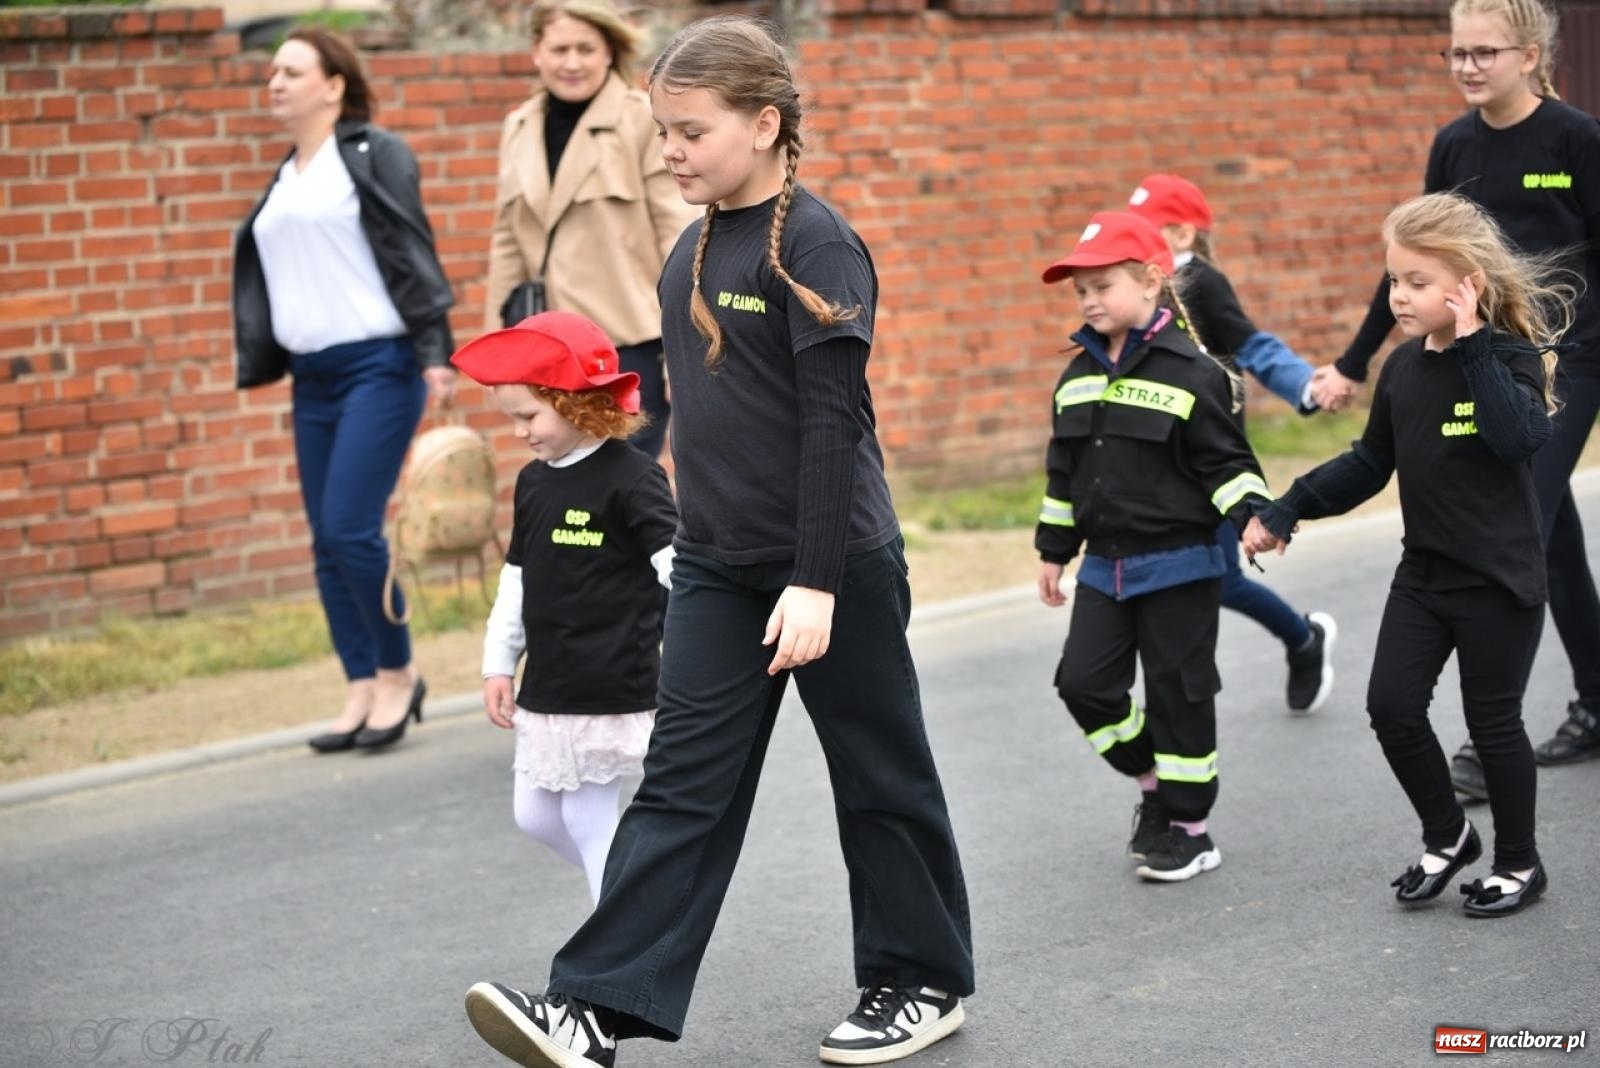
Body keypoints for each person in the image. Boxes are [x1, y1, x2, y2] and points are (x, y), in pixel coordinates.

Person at [463, 16, 973, 1068]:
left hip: (831, 567)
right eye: (664, 131)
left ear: (765, 124)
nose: (671, 151)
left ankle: (918, 981)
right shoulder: (690, 247)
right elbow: (690, 416)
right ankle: (591, 1008)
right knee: (681, 786)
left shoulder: (818, 246)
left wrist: (816, 582)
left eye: (690, 131)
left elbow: (832, 424)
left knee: (878, 775)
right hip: (713, 565)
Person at [1246, 193, 1566, 917]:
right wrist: (1288, 506)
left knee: (1493, 724)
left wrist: (1475, 343)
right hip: (1423, 575)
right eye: (1394, 280)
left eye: (1418, 282)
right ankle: (1448, 836)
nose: (1399, 296)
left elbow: (1516, 438)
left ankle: (1520, 862)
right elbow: (1370, 462)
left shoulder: (1509, 356)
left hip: (1498, 579)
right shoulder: (1400, 370)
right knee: (1390, 707)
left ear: (1468, 286)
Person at [1312, 0, 1600, 786]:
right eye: (1456, 52)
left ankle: (1487, 734)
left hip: (1567, 360)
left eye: (1484, 52)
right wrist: (1353, 362)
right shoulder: (1454, 145)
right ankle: (1597, 698)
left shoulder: (1576, 140)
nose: (1467, 66)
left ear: (1530, 55)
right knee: (1550, 533)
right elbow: (1413, 262)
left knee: (1526, 512)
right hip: (1483, 354)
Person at [233, 27, 454, 753]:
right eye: (272, 72)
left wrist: (435, 351)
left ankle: (398, 671)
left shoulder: (372, 153)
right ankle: (360, 680)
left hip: (379, 366)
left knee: (351, 527)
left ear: (334, 85)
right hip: (313, 376)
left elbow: (412, 250)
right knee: (326, 540)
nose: (275, 82)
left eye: (292, 71)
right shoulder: (285, 175)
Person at [1036, 210, 1272, 883]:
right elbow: (1064, 474)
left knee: (1178, 696)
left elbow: (1227, 463)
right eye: (1080, 290)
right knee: (1084, 685)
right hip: (1103, 569)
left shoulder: (1193, 373)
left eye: (1102, 286)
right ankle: (1153, 784)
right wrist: (1053, 550)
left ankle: (1192, 830)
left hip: (1180, 565)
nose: (1089, 301)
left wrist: (1254, 516)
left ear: (1149, 280)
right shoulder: (1076, 377)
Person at [454, 312, 676, 905]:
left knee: (586, 819)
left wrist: (702, 638)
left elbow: (676, 567)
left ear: (576, 403)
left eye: (529, 416)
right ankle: (639, 898)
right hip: (550, 682)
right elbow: (517, 578)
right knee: (534, 817)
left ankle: (617, 937)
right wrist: (498, 663)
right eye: (513, 419)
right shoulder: (533, 483)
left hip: (610, 679)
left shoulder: (633, 478)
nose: (519, 432)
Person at [1126, 174, 1337, 714]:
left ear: (1182, 234)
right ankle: (1171, 694)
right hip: (1162, 460)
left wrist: (1304, 384)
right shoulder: (1138, 285)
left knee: (1221, 580)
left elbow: (1252, 345)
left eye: (1145, 229)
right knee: (1168, 574)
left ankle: (1303, 639)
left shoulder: (1201, 283)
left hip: (1210, 459)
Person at [484, 0, 698, 461]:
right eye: (560, 49)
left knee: (619, 479)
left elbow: (678, 238)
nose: (573, 63)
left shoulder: (641, 119)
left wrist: (682, 348)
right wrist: (499, 350)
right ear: (537, 51)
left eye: (586, 49)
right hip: (549, 350)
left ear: (609, 52)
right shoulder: (518, 127)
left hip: (626, 347)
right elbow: (507, 243)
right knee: (565, 479)